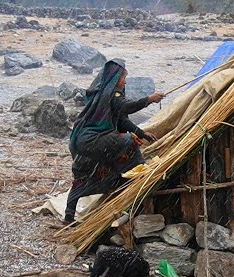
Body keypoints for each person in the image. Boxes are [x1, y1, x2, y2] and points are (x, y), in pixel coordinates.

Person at [64, 58, 164, 223]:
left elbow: (122, 120)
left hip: (87, 142)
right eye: (123, 78)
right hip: (92, 139)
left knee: (86, 173)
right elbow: (126, 107)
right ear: (115, 78)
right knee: (128, 141)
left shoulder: (104, 95)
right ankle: (139, 172)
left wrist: (142, 133)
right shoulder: (110, 95)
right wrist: (149, 99)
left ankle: (69, 215)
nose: (125, 82)